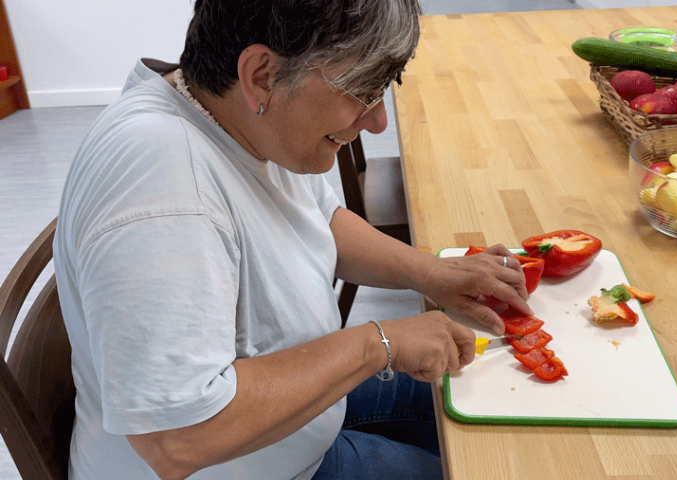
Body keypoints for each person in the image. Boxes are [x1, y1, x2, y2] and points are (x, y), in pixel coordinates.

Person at [52, 1, 533, 479]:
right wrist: (377, 343)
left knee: (506, 415)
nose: (377, 121)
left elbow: (320, 217)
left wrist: (432, 273)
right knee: (492, 465)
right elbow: (178, 439)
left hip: (292, 426)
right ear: (261, 73)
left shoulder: (239, 116)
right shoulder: (164, 188)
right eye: (363, 90)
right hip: (239, 462)